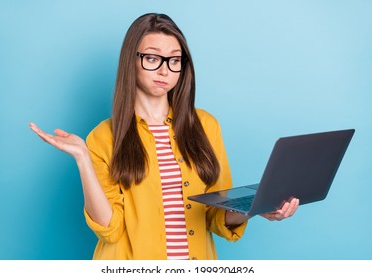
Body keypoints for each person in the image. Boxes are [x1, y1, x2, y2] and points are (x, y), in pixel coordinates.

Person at [30, 13, 299, 260]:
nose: (164, 70)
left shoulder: (206, 126)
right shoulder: (103, 137)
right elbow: (109, 229)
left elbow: (216, 215)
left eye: (174, 60)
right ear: (131, 61)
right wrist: (83, 160)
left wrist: (254, 208)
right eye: (152, 58)